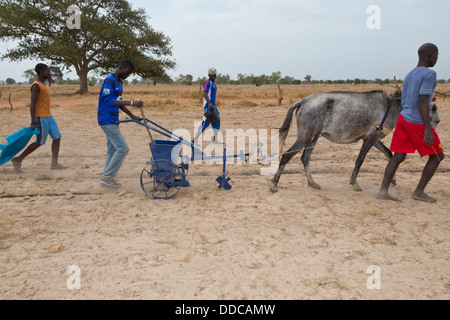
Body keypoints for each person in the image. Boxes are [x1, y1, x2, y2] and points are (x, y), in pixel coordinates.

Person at [377, 43, 444, 202]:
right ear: (430, 54)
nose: (437, 58)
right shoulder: (429, 74)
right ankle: (419, 192)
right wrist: (428, 128)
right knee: (437, 156)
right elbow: (422, 101)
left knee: (398, 156)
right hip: (417, 121)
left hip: (403, 118)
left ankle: (383, 190)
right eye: (437, 55)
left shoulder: (409, 74)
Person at [12, 63, 66, 172]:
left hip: (49, 116)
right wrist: (33, 121)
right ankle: (18, 159)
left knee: (57, 138)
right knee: (39, 141)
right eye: (48, 71)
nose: (50, 73)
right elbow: (32, 103)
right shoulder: (36, 85)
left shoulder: (43, 85)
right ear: (41, 72)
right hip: (40, 117)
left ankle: (54, 164)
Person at [97, 59, 143, 188]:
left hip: (114, 119)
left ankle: (106, 178)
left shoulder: (119, 82)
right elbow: (108, 101)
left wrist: (132, 115)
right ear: (121, 67)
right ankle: (107, 178)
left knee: (112, 150)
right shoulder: (109, 80)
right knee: (123, 148)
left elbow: (119, 102)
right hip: (106, 120)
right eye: (127, 72)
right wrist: (132, 102)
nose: (127, 76)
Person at [193, 68, 222, 145]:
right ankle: (195, 139)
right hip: (208, 106)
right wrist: (209, 103)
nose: (213, 76)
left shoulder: (214, 84)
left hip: (213, 106)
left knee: (217, 121)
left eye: (214, 75)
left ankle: (215, 140)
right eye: (211, 75)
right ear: (208, 75)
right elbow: (205, 94)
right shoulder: (207, 82)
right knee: (205, 123)